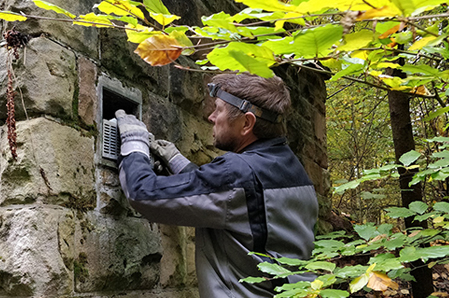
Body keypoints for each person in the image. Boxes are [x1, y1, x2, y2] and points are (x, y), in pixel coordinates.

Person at [115, 73, 318, 298]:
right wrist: (177, 162)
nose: (211, 117)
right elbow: (247, 206)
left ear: (246, 123)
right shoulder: (297, 172)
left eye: (219, 109)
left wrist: (134, 145)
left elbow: (144, 194)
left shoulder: (237, 172)